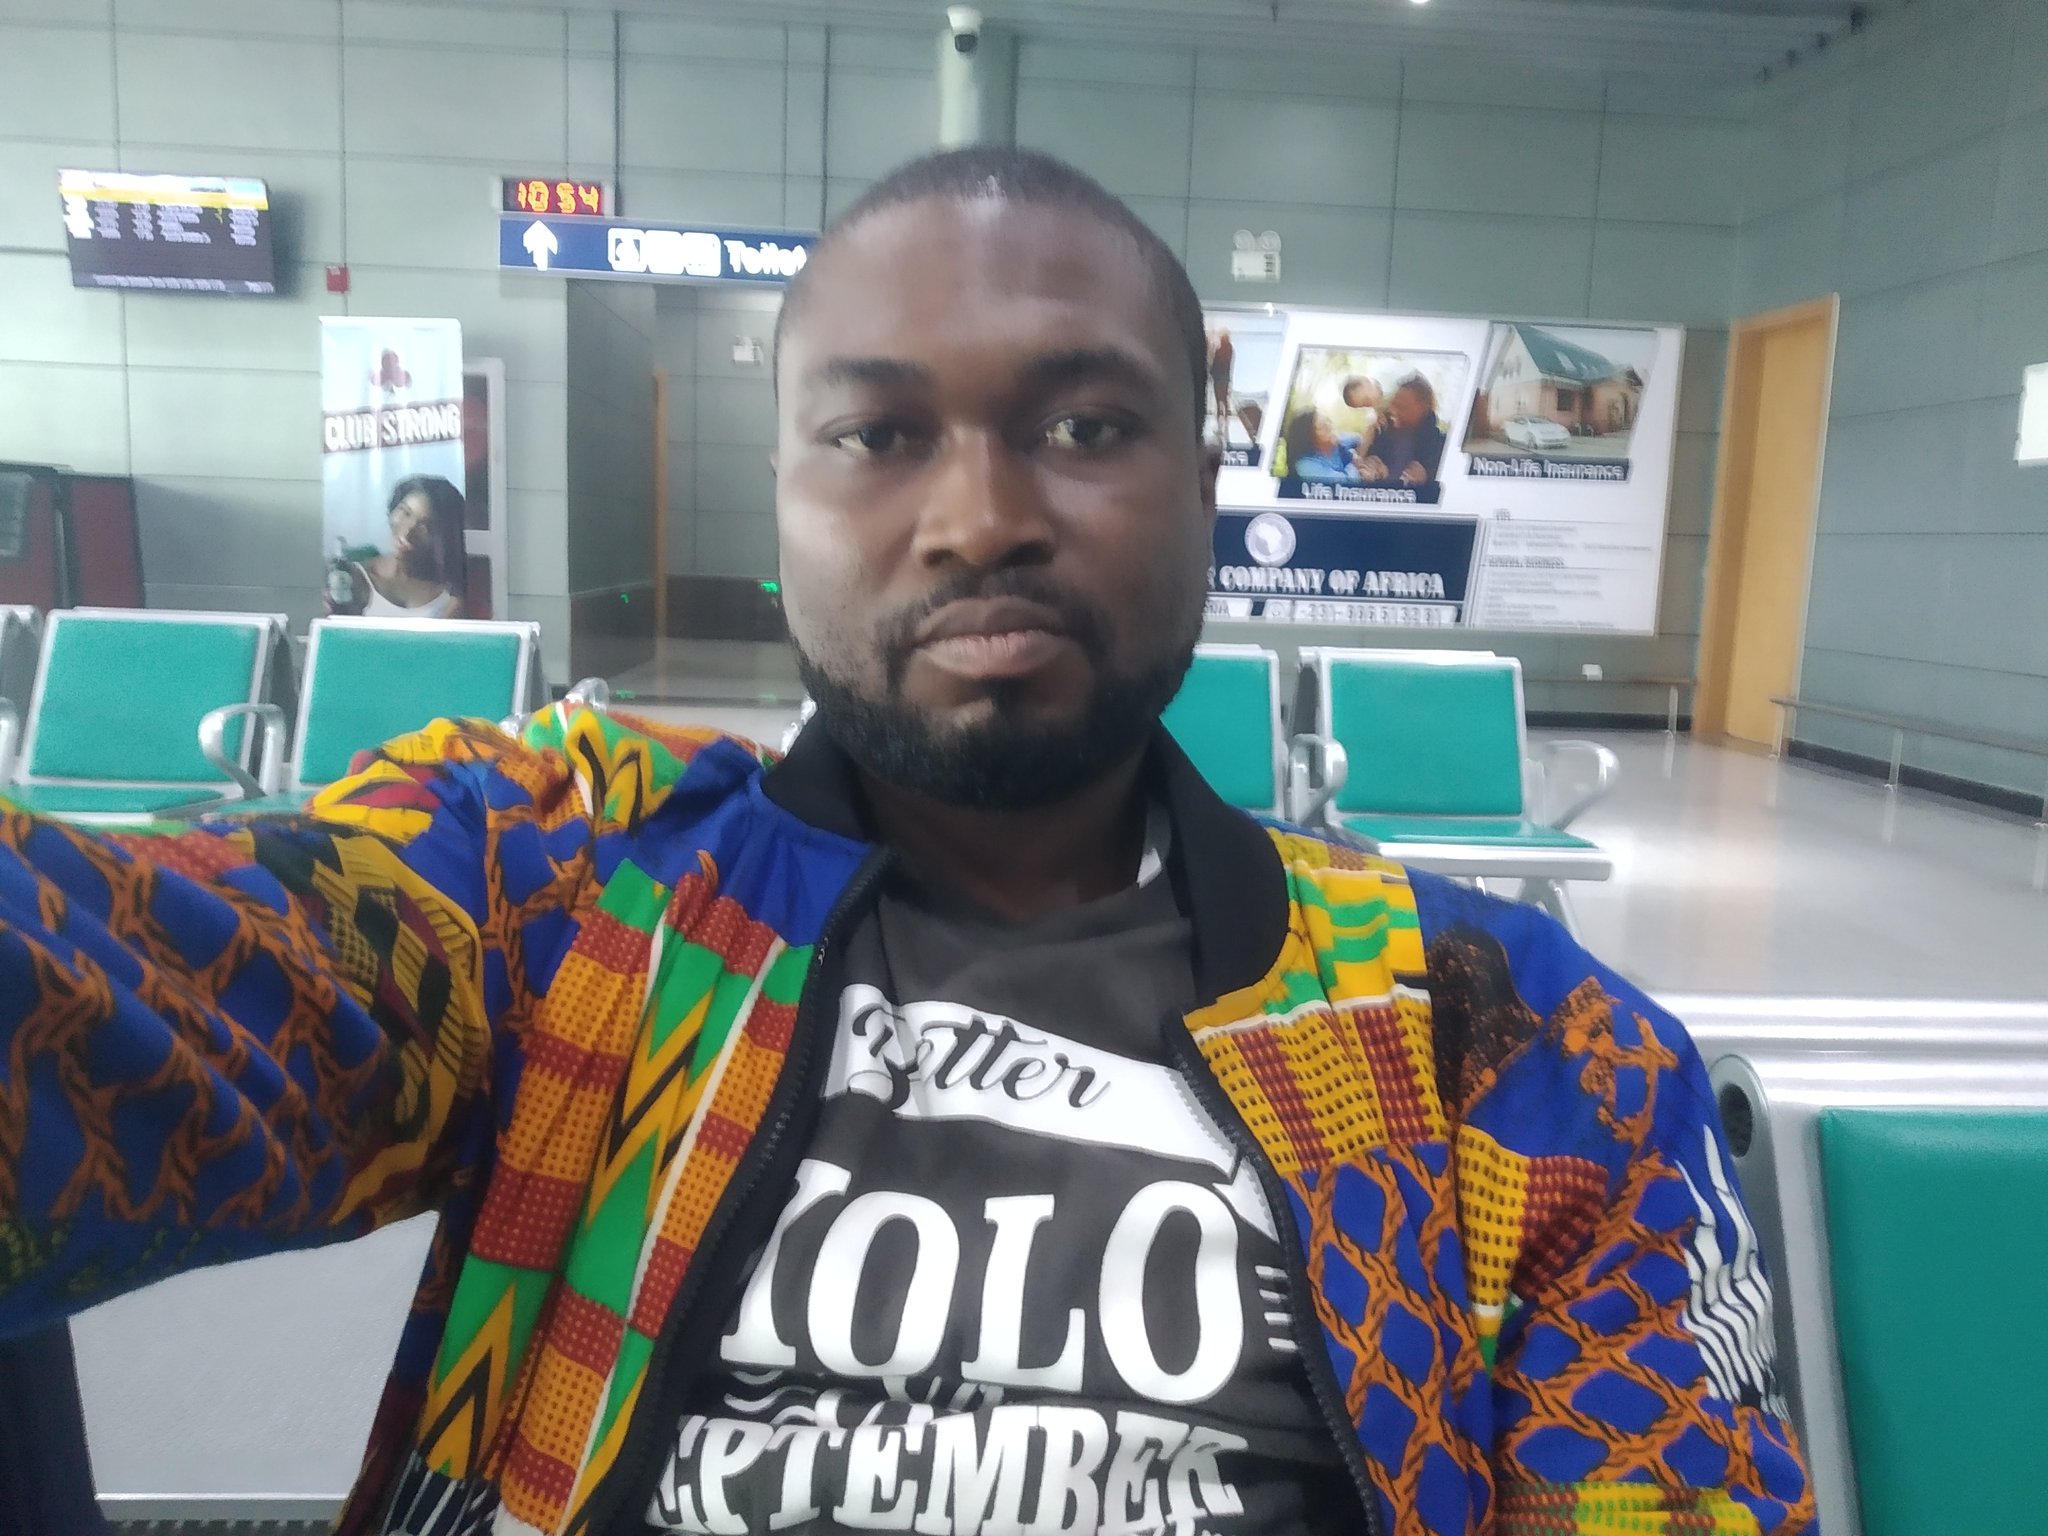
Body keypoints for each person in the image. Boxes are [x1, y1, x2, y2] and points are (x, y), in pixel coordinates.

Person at [0, 147, 1812, 1536]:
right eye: (877, 434)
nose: (978, 517)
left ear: (1202, 488)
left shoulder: (1501, 1038)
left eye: (1084, 425)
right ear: (784, 506)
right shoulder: (562, 885)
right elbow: (133, 999)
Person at [329, 474, 467, 619]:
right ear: (393, 510)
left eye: (425, 526)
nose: (408, 532)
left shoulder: (449, 594)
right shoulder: (355, 580)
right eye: (406, 513)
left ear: (442, 536)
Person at [1357, 372, 1449, 489]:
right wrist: (1370, 465)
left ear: (1422, 408)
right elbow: (1356, 467)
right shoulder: (1380, 435)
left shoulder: (1441, 447)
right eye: (1393, 404)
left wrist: (1427, 479)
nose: (1392, 410)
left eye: (1401, 406)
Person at [1278, 408, 1362, 484]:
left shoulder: (1336, 440)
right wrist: (1354, 463)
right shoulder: (1306, 466)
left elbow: (1359, 439)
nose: (1330, 427)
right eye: (1323, 427)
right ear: (1309, 438)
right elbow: (1346, 483)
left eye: (1328, 421)